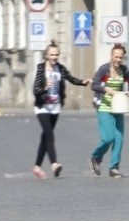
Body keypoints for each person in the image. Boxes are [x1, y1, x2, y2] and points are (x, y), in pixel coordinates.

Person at [31, 41, 91, 179]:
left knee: (45, 137)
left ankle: (37, 167)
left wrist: (83, 82)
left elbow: (70, 78)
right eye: (51, 55)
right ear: (46, 55)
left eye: (56, 55)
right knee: (50, 135)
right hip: (42, 107)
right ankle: (54, 164)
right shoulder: (40, 69)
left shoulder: (60, 68)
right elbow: (35, 89)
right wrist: (45, 87)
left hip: (55, 107)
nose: (54, 57)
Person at [89, 43, 129, 178]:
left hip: (119, 106)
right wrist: (106, 89)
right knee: (108, 138)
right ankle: (95, 157)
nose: (118, 60)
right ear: (111, 56)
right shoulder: (104, 70)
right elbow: (94, 85)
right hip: (104, 106)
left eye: (120, 57)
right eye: (116, 57)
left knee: (119, 138)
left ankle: (114, 167)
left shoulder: (124, 71)